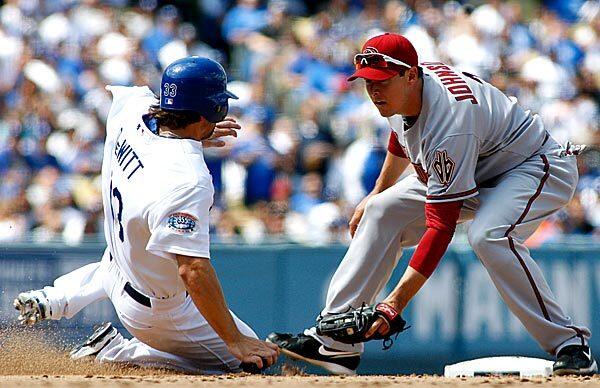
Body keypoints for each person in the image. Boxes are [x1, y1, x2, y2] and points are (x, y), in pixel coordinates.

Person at [267, 33, 596, 376]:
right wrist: (376, 192)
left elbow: (441, 227)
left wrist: (395, 302)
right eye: (368, 83)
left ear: (410, 75)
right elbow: (402, 133)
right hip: (477, 167)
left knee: (488, 235)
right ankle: (334, 342)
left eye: (381, 82)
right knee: (381, 210)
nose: (374, 91)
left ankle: (571, 345)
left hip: (533, 165)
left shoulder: (450, 122)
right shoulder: (406, 90)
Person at [13, 56, 279, 374]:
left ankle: (59, 297)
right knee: (250, 360)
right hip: (159, 311)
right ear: (213, 111)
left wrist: (195, 135)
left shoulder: (131, 106)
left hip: (119, 265)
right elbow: (192, 270)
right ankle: (120, 353)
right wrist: (235, 341)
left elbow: (158, 123)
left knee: (133, 241)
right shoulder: (188, 179)